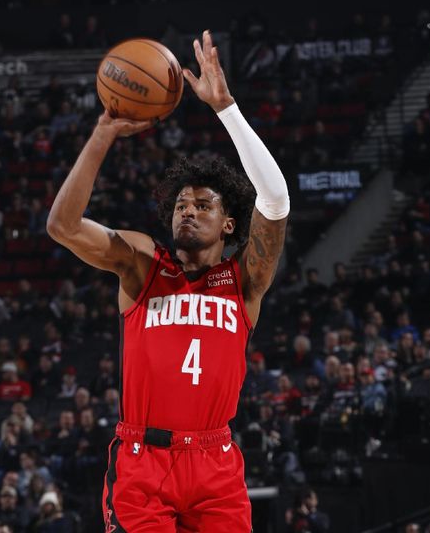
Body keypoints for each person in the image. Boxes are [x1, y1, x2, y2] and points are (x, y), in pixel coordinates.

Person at [47, 30, 290, 532]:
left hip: (215, 462)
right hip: (142, 459)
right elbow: (63, 227)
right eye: (181, 204)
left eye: (203, 205)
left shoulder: (244, 280)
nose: (188, 211)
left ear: (228, 224)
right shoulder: (142, 264)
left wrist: (226, 111)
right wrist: (103, 134)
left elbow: (276, 202)